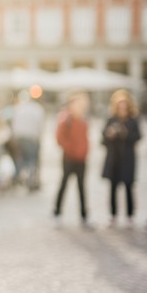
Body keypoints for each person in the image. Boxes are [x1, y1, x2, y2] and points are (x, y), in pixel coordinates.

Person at [101, 89, 142, 228]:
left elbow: (138, 137)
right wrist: (109, 135)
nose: (122, 108)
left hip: (128, 159)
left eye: (124, 105)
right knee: (113, 188)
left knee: (129, 187)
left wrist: (126, 133)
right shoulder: (111, 119)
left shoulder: (133, 120)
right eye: (119, 105)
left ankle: (130, 215)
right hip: (114, 159)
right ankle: (113, 215)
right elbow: (102, 140)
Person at [53, 91, 92, 228]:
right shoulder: (65, 118)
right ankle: (57, 212)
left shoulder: (83, 119)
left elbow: (85, 138)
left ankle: (84, 215)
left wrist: (85, 151)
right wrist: (72, 150)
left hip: (81, 159)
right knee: (64, 184)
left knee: (82, 187)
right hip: (69, 158)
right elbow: (59, 138)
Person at [11, 91, 45, 191]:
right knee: (32, 160)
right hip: (31, 138)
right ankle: (31, 181)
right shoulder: (38, 109)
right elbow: (40, 126)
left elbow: (14, 123)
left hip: (19, 137)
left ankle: (17, 178)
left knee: (20, 159)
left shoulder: (19, 108)